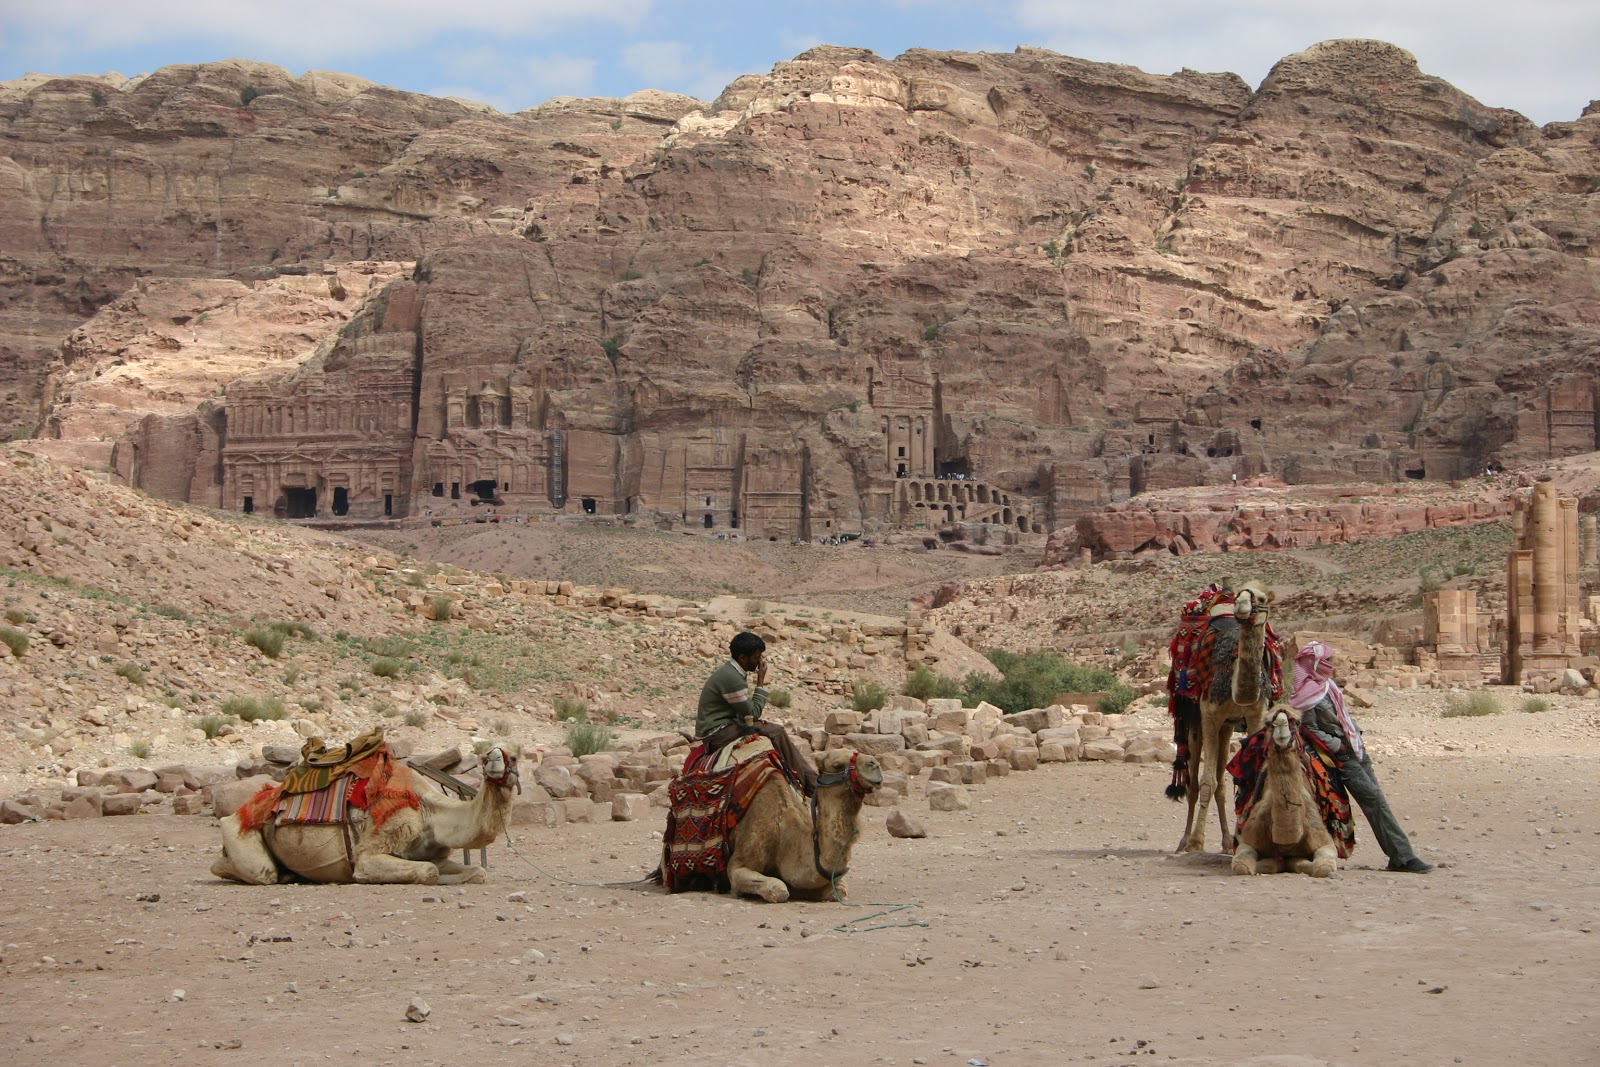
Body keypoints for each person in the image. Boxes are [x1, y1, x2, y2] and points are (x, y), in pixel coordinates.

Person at [1290, 641, 1434, 873]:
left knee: (1377, 802)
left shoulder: (1326, 686)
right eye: (1327, 661)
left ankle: (1399, 856)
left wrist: (1355, 735)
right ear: (1314, 663)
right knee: (1374, 800)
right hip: (1342, 757)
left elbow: (1341, 715)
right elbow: (1309, 729)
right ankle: (1403, 858)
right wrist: (1338, 746)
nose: (1331, 665)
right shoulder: (1306, 696)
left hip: (1356, 750)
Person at [696, 631, 818, 797]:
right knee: (777, 732)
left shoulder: (732, 672)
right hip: (718, 732)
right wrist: (760, 682)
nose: (759, 662)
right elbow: (753, 714)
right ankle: (812, 785)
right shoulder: (732, 678)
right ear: (742, 658)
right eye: (756, 658)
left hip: (728, 724)